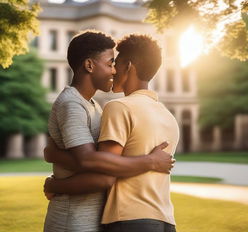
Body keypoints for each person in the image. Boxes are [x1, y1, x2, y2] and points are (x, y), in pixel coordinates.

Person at [45, 33, 179, 232]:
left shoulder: (114, 108)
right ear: (90, 65)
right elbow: (94, 162)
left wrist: (54, 183)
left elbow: (103, 174)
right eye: (110, 63)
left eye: (116, 63)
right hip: (162, 217)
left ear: (129, 66)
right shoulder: (168, 116)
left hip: (128, 219)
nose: (114, 70)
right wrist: (53, 155)